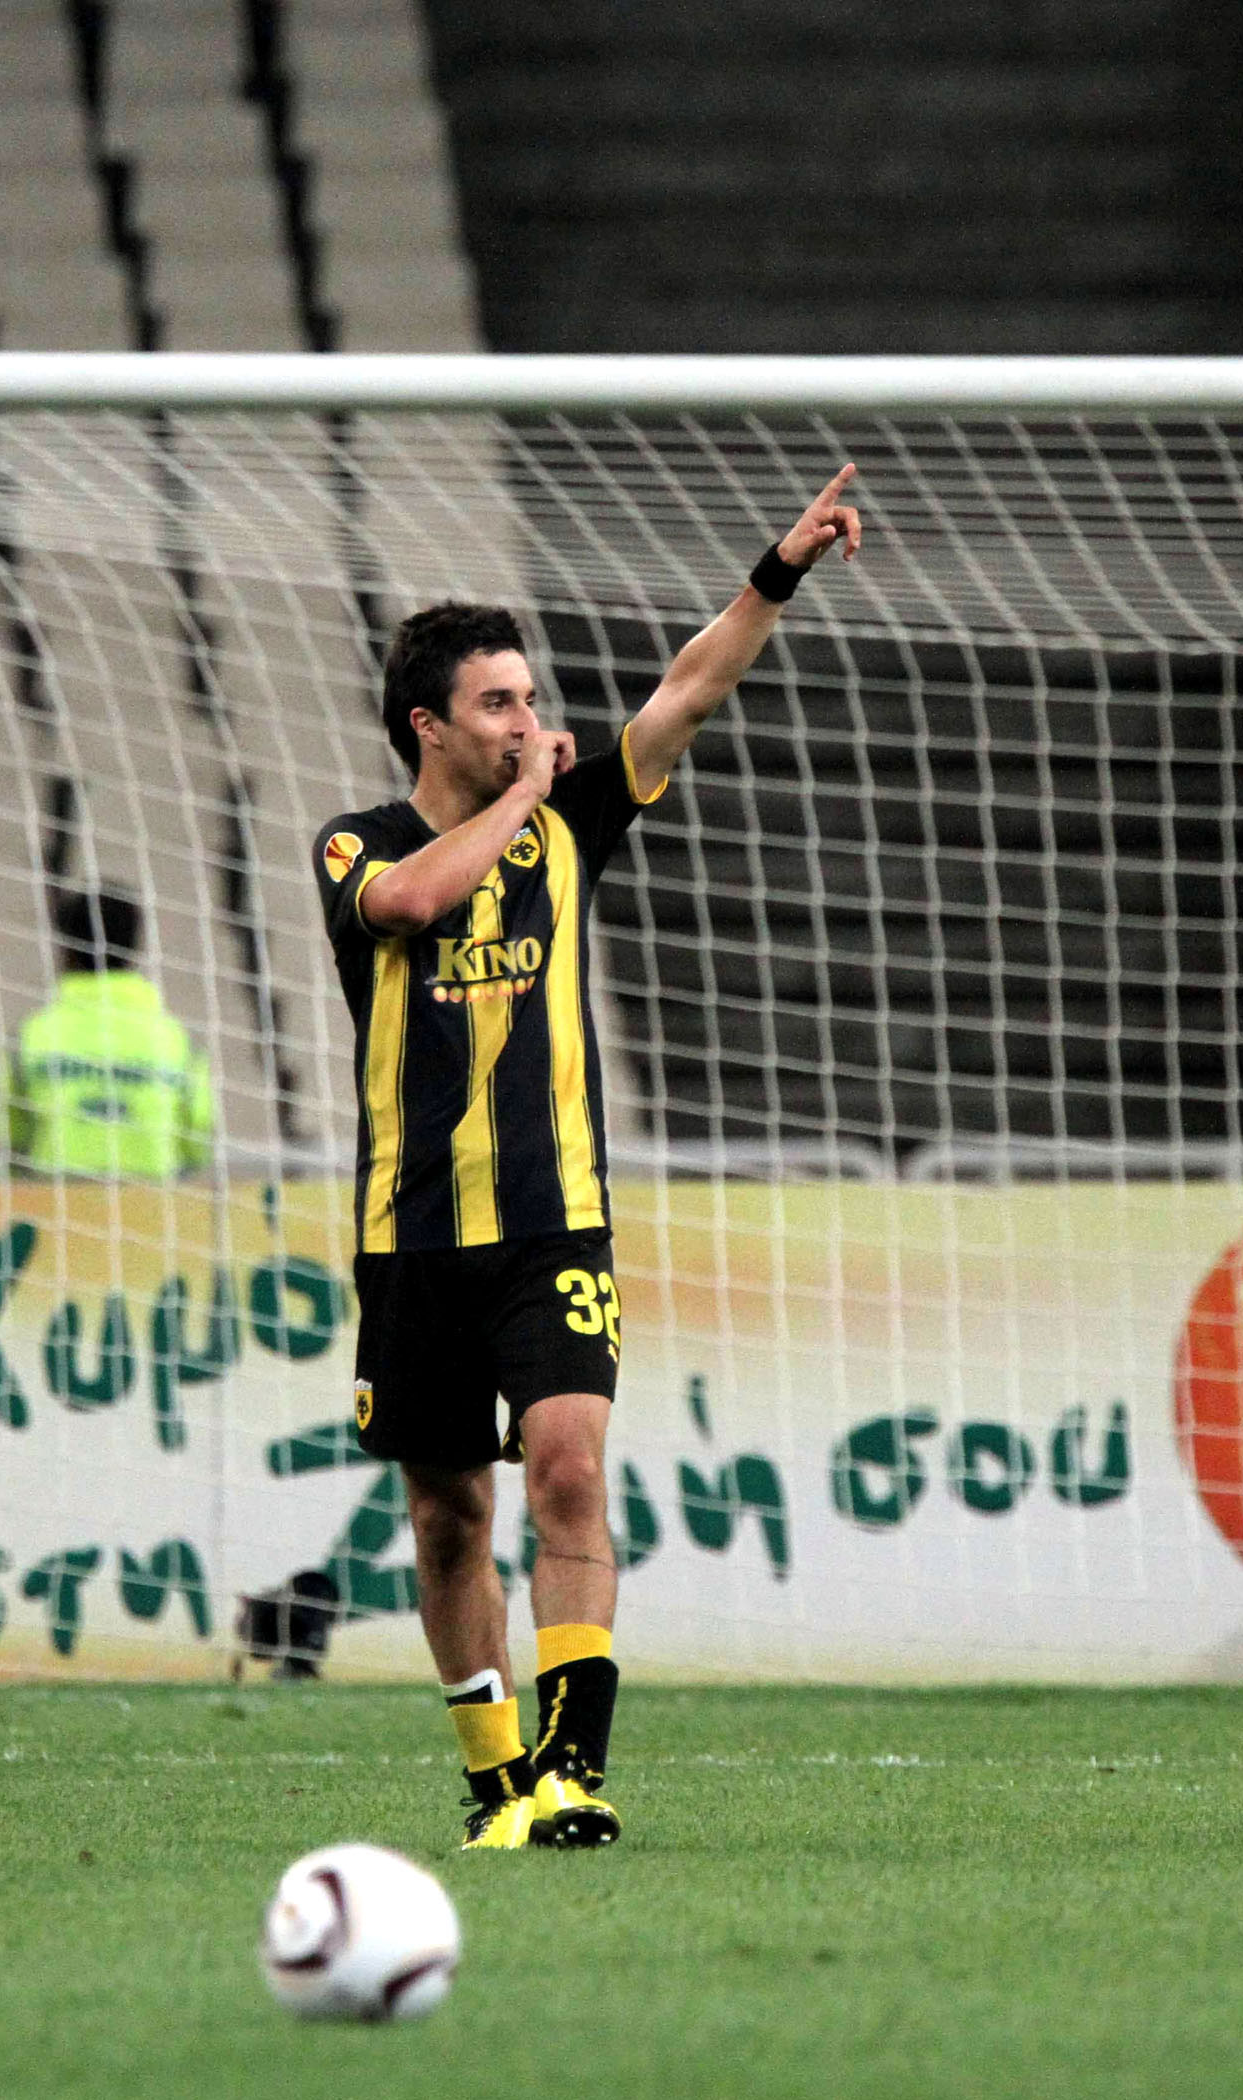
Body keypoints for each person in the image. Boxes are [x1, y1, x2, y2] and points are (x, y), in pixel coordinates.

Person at [311, 465, 862, 1850]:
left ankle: (572, 1774)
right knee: (449, 1517)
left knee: (565, 1468)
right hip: (410, 1235)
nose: (528, 722)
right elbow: (414, 903)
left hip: (552, 1223)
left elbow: (690, 689)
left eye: (529, 699)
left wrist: (779, 573)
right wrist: (523, 798)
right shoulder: (357, 843)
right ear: (429, 725)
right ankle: (495, 1782)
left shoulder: (573, 816)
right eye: (498, 705)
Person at [5, 890, 213, 1177]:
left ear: (66, 949)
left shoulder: (31, 1036)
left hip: (55, 1196)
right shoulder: (175, 1040)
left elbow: (12, 1138)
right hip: (152, 1198)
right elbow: (198, 1141)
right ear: (134, 948)